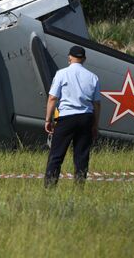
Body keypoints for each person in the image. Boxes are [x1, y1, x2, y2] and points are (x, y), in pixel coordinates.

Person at [44, 45, 101, 187]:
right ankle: (79, 187)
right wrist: (95, 124)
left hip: (66, 118)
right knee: (81, 156)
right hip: (86, 118)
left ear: (69, 57)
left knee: (56, 155)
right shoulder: (93, 77)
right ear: (84, 59)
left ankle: (50, 187)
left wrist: (48, 120)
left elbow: (52, 98)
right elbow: (97, 104)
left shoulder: (61, 74)